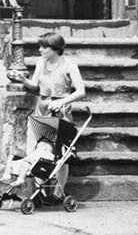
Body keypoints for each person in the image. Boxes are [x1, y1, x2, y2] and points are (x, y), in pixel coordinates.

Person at [10, 31, 86, 197]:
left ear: (55, 48)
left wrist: (62, 102)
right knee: (36, 148)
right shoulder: (41, 62)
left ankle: (59, 189)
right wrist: (23, 80)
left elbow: (81, 91)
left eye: (44, 47)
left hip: (60, 111)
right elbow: (34, 85)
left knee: (60, 152)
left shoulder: (69, 64)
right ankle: (38, 189)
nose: (40, 50)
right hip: (41, 108)